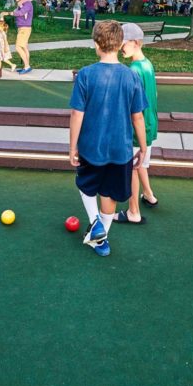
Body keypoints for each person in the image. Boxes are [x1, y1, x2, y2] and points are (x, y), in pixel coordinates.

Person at [69, 20, 148, 257]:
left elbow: (76, 114)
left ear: (96, 44)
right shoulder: (132, 76)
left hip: (91, 147)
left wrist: (72, 146)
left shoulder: (85, 74)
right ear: (120, 43)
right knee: (110, 194)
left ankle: (97, 228)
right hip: (120, 149)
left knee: (86, 185)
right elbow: (138, 118)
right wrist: (143, 147)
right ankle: (101, 235)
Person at [116, 22, 159, 224]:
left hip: (137, 129)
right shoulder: (147, 64)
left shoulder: (133, 70)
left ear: (135, 42)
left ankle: (133, 212)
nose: (119, 47)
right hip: (150, 125)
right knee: (141, 162)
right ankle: (149, 195)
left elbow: (132, 109)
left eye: (122, 43)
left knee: (132, 168)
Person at [0, 0, 33, 74]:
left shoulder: (27, 4)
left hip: (24, 29)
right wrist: (7, 13)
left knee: (18, 47)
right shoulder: (21, 4)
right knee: (24, 47)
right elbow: (16, 12)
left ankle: (27, 66)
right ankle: (26, 66)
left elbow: (20, 13)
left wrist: (7, 13)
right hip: (22, 28)